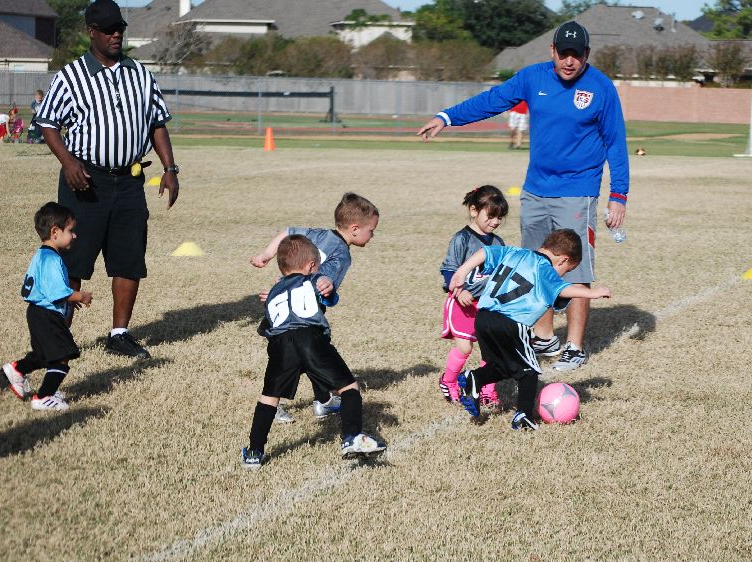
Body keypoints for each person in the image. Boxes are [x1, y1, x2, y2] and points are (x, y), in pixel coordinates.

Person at [418, 21, 628, 373]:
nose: (569, 61)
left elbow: (616, 142)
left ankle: (575, 347)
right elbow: (492, 101)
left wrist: (618, 194)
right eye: (564, 53)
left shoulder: (601, 87)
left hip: (577, 192)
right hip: (535, 191)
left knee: (575, 270)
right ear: (552, 51)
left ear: (587, 55)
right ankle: (544, 336)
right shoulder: (533, 77)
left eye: (577, 55)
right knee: (535, 266)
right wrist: (447, 117)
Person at [35, 0, 179, 360]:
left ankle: (119, 334)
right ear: (91, 32)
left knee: (129, 258)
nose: (116, 35)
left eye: (120, 29)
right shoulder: (71, 76)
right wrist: (68, 162)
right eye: (108, 29)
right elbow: (48, 123)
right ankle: (59, 337)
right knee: (72, 261)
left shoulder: (140, 74)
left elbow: (157, 123)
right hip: (85, 181)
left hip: (129, 181)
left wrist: (170, 169)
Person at [243, 235, 387, 468]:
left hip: (280, 346)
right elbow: (327, 292)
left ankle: (254, 452)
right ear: (311, 265)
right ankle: (351, 437)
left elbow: (267, 327)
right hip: (311, 339)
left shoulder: (274, 291)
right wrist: (327, 286)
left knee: (269, 398)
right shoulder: (314, 278)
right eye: (318, 266)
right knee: (349, 387)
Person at [450, 229, 612, 431]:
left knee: (503, 367)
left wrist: (461, 272)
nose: (562, 276)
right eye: (566, 271)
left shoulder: (515, 252)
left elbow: (486, 252)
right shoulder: (545, 269)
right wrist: (593, 293)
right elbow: (563, 289)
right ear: (563, 259)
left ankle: (475, 378)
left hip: (483, 318)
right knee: (529, 370)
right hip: (510, 323)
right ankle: (524, 416)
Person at [250, 192, 380, 424]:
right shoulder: (341, 255)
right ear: (354, 229)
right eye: (371, 230)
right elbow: (318, 286)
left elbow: (287, 232)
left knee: (301, 358)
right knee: (301, 357)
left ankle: (323, 400)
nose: (372, 235)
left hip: (282, 307)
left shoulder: (317, 233)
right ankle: (283, 404)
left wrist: (267, 254)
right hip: (303, 314)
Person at [2, 203, 93, 412]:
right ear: (55, 232)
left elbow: (47, 289)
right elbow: (57, 292)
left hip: (37, 313)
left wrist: (68, 299)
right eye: (71, 231)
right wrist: (81, 295)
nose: (75, 235)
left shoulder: (41, 255)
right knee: (62, 355)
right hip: (46, 315)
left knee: (44, 355)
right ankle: (44, 397)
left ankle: (16, 369)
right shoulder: (51, 259)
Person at [438, 185, 508, 409]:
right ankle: (448, 381)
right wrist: (459, 292)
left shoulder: (498, 243)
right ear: (474, 210)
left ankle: (487, 388)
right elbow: (449, 269)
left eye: (500, 217)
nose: (495, 222)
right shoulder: (462, 239)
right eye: (491, 216)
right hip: (462, 304)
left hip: (487, 306)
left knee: (493, 349)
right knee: (465, 348)